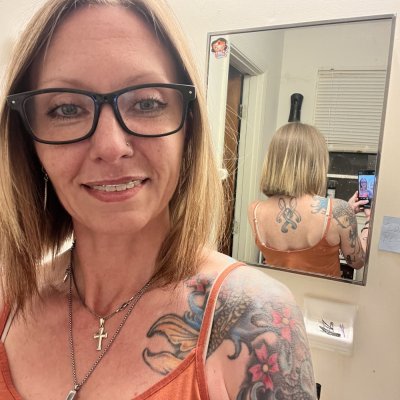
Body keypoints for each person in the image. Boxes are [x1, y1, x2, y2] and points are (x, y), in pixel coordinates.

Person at [0, 1, 317, 399]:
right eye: (66, 109)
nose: (111, 146)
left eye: (146, 103)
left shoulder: (257, 323)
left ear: (188, 128)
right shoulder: (9, 299)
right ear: (27, 141)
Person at [248, 122, 370, 278]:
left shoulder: (254, 210)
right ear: (316, 164)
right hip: (322, 293)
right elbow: (358, 262)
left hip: (279, 292)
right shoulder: (339, 211)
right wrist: (368, 222)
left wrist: (343, 212)